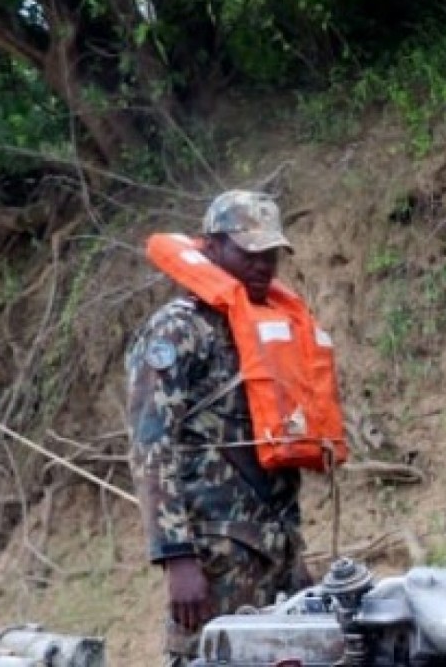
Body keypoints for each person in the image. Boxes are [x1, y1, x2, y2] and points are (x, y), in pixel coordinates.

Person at [125, 190, 347, 666]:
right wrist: (177, 559)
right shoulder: (177, 331)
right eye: (250, 252)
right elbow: (151, 448)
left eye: (271, 254)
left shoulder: (273, 330)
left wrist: (293, 554)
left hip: (280, 553)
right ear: (211, 248)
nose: (263, 265)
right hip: (215, 556)